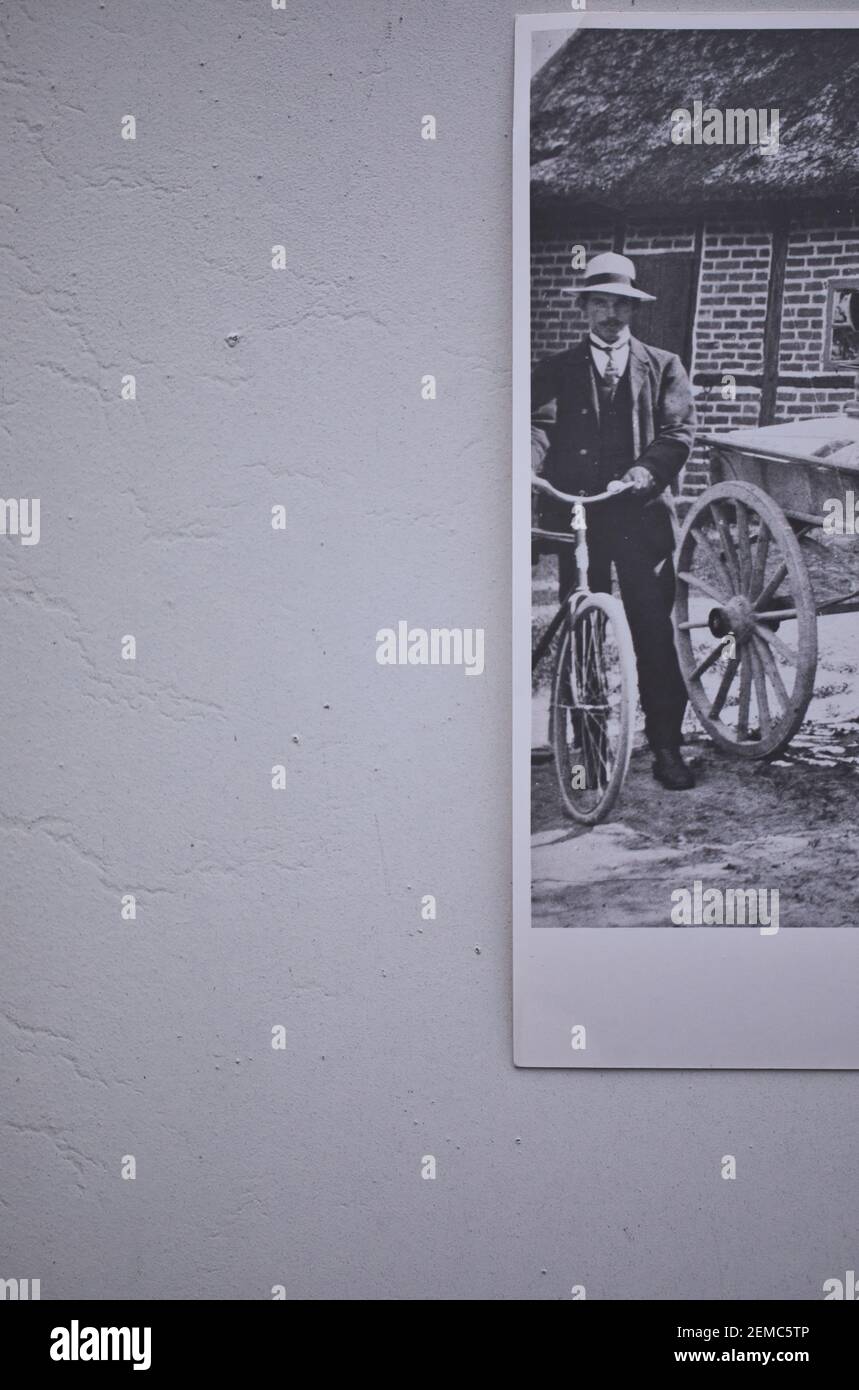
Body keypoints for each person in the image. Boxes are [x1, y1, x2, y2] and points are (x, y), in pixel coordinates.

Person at [531, 251, 697, 790]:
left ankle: (667, 747)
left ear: (633, 308)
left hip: (640, 517)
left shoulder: (664, 365)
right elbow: (537, 426)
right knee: (584, 632)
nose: (611, 314)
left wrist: (644, 475)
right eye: (600, 302)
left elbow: (676, 434)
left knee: (652, 630)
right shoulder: (555, 369)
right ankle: (592, 749)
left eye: (620, 304)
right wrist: (528, 469)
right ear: (585, 307)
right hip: (579, 518)